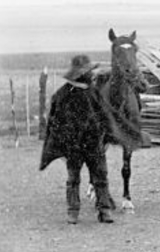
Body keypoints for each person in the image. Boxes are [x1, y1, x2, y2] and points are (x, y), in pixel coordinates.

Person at [39, 55, 115, 224]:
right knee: (73, 179)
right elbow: (54, 122)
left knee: (101, 177)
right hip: (73, 147)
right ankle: (73, 212)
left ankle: (104, 210)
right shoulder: (62, 95)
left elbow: (105, 116)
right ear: (80, 74)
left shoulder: (94, 92)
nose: (91, 74)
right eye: (88, 71)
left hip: (94, 145)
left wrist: (104, 135)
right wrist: (63, 142)